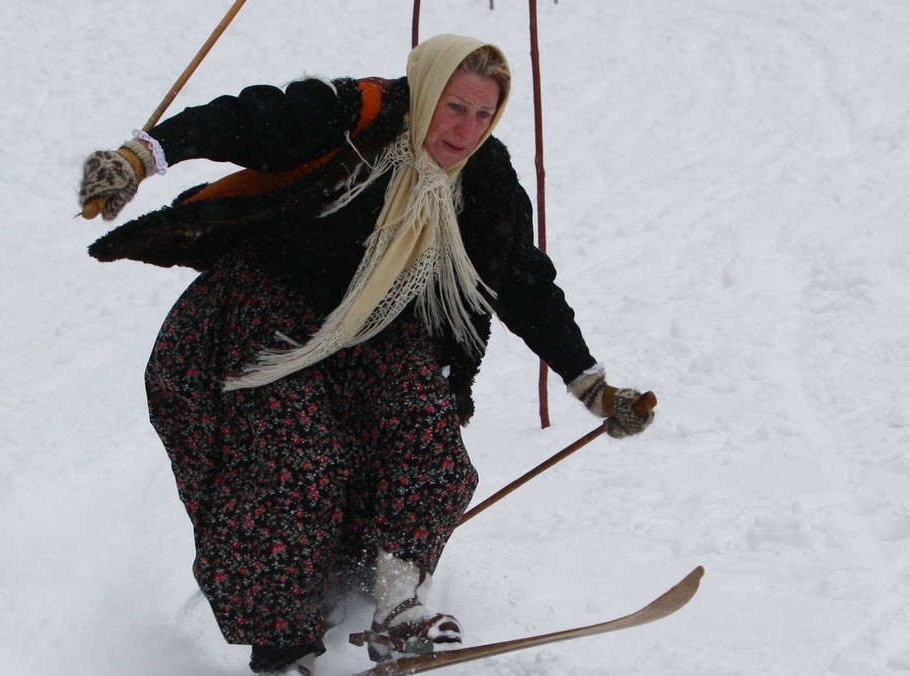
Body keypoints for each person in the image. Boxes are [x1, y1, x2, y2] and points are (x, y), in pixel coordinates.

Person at [79, 34, 654, 675]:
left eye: (483, 114)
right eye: (454, 107)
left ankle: (398, 605)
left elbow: (522, 280)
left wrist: (590, 383)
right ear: (428, 91)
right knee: (294, 462)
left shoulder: (484, 176)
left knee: (428, 447)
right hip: (271, 308)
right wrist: (140, 157)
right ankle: (282, 645)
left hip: (375, 323)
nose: (466, 130)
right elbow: (245, 120)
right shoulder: (357, 117)